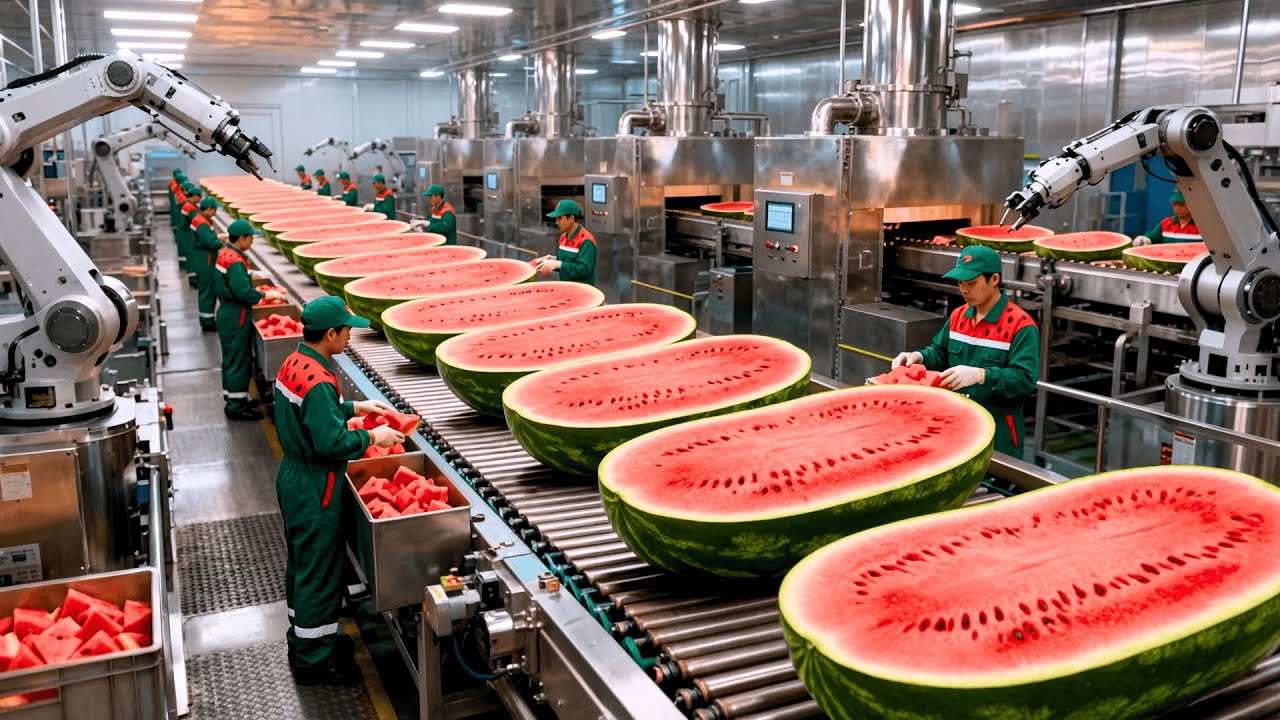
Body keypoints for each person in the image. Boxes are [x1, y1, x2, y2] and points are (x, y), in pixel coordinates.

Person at [273, 296, 404, 686]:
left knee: (302, 564)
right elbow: (330, 443)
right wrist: (372, 437)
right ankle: (315, 661)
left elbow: (314, 414)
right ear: (330, 334)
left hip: (294, 476)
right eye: (346, 331)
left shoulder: (296, 363)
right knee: (320, 570)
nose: (350, 336)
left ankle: (307, 639)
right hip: (316, 485)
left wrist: (354, 408)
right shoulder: (318, 379)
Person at [892, 246, 1040, 459]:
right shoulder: (958, 315)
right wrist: (919, 357)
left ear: (995, 279)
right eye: (961, 283)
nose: (964, 290)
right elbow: (939, 352)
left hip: (997, 435)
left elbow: (1024, 379)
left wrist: (981, 376)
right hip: (954, 427)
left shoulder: (1020, 326)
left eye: (971, 283)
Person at [216, 220, 284, 420]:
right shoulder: (235, 261)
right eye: (251, 237)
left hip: (228, 312)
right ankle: (236, 407)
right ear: (243, 238)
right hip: (236, 315)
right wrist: (266, 295)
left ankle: (237, 398)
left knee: (232, 358)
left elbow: (235, 277)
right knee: (238, 360)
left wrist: (251, 273)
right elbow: (243, 292)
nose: (252, 241)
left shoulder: (226, 253)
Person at [533, 199, 596, 285]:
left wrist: (558, 264)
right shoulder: (563, 237)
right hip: (566, 288)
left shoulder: (586, 241)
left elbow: (584, 269)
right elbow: (565, 263)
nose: (556, 222)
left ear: (571, 218)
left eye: (560, 218)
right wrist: (552, 260)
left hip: (582, 290)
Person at [190, 197, 225, 332]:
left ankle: (207, 318)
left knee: (206, 290)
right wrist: (221, 243)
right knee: (208, 291)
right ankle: (207, 321)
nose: (215, 213)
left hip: (202, 259)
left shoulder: (200, 219)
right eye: (214, 210)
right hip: (206, 260)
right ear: (209, 209)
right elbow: (210, 243)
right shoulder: (202, 224)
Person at [1133, 190, 1201, 246]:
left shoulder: (1202, 227)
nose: (1177, 208)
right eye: (1174, 204)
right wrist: (1143, 239)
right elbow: (1151, 236)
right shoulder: (1165, 224)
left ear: (1191, 204)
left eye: (1181, 204)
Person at [179, 184, 204, 288]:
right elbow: (197, 220)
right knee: (192, 257)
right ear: (195, 196)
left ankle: (192, 279)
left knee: (190, 256)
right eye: (199, 197)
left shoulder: (187, 204)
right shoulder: (190, 208)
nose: (199, 200)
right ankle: (194, 280)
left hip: (186, 233)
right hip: (189, 234)